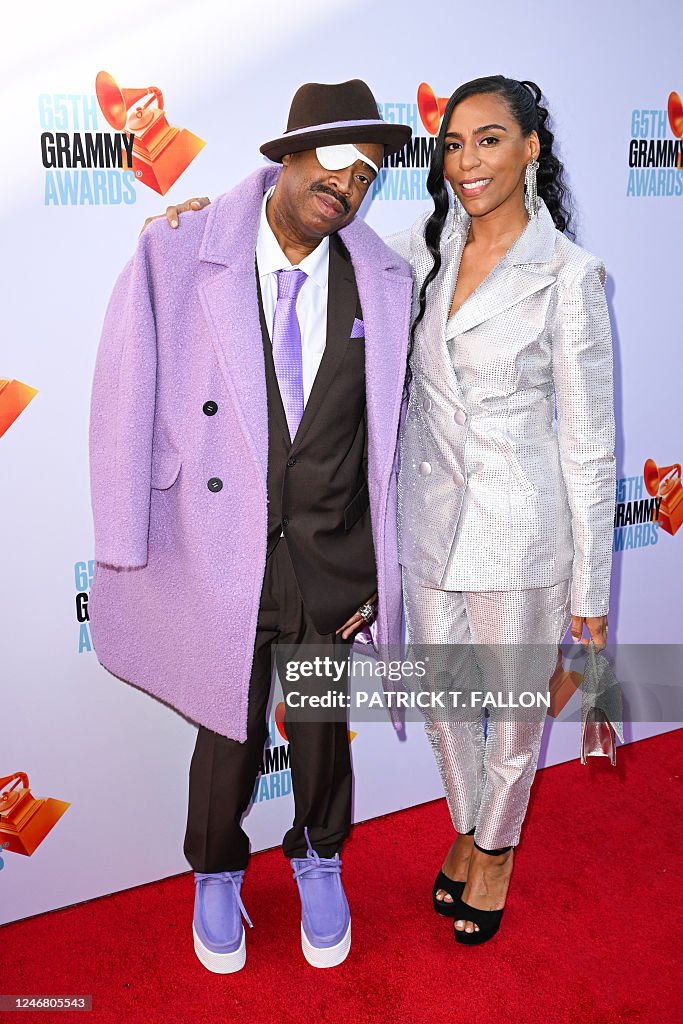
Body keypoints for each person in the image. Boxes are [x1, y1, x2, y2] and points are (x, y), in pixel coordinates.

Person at [147, 74, 616, 947]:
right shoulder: (413, 254)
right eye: (452, 143)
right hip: (424, 532)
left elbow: (590, 449)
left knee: (511, 715)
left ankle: (492, 850)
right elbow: (304, 237)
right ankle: (465, 826)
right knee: (444, 712)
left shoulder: (571, 277)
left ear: (530, 150)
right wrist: (202, 223)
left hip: (522, 536)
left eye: (487, 139)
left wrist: (589, 600)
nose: (466, 161)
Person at [88, 79, 412, 973]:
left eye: (368, 174)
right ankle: (216, 871)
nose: (348, 185)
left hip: (328, 549)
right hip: (218, 545)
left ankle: (316, 854)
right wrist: (123, 542)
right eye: (335, 161)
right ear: (288, 155)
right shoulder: (179, 251)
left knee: (317, 719)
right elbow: (122, 395)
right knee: (223, 729)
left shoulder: (385, 280)